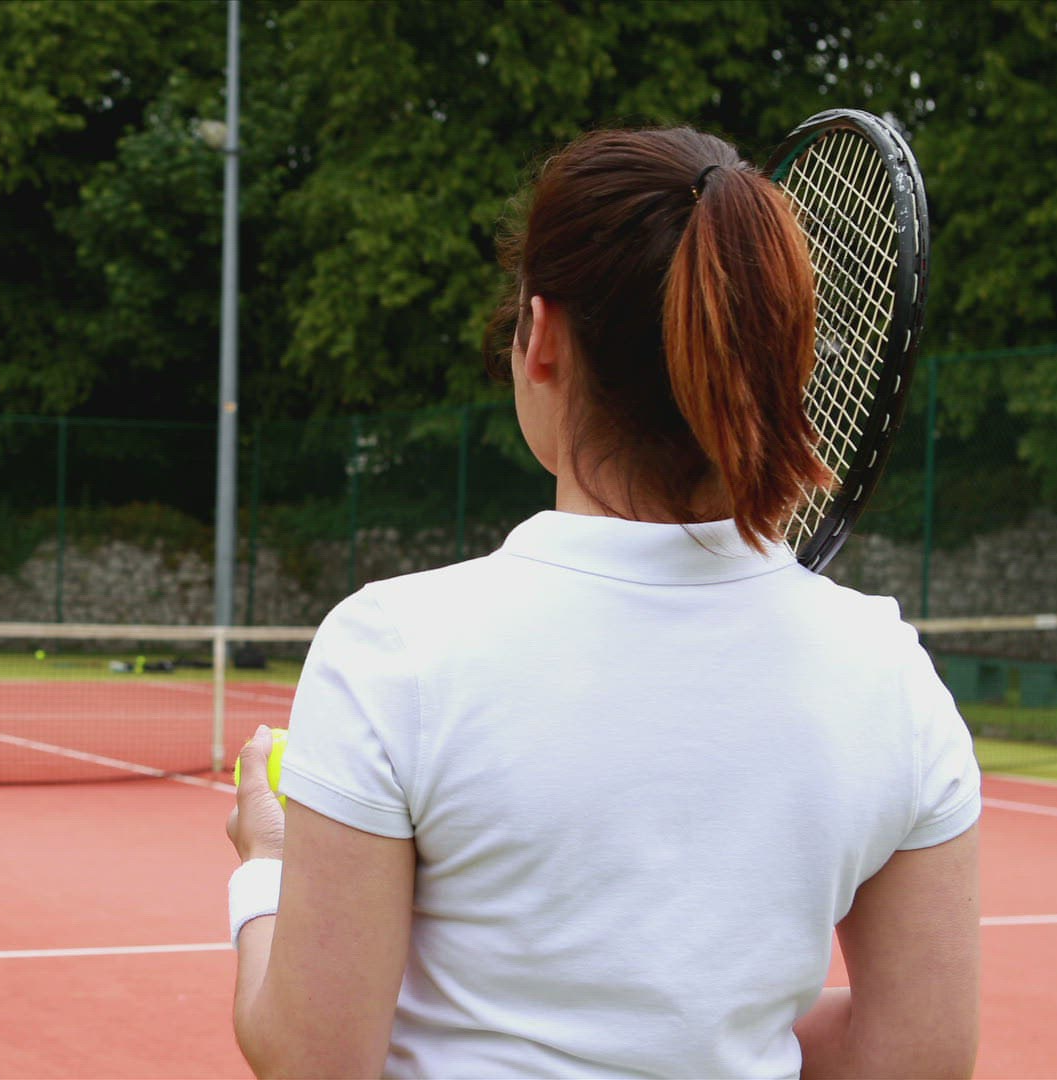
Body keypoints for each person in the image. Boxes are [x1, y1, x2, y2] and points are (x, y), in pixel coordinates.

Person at [224, 126, 980, 1079]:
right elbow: (921, 1054)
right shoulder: (892, 677)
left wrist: (267, 866)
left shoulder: (392, 651)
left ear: (540, 338)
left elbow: (313, 1059)